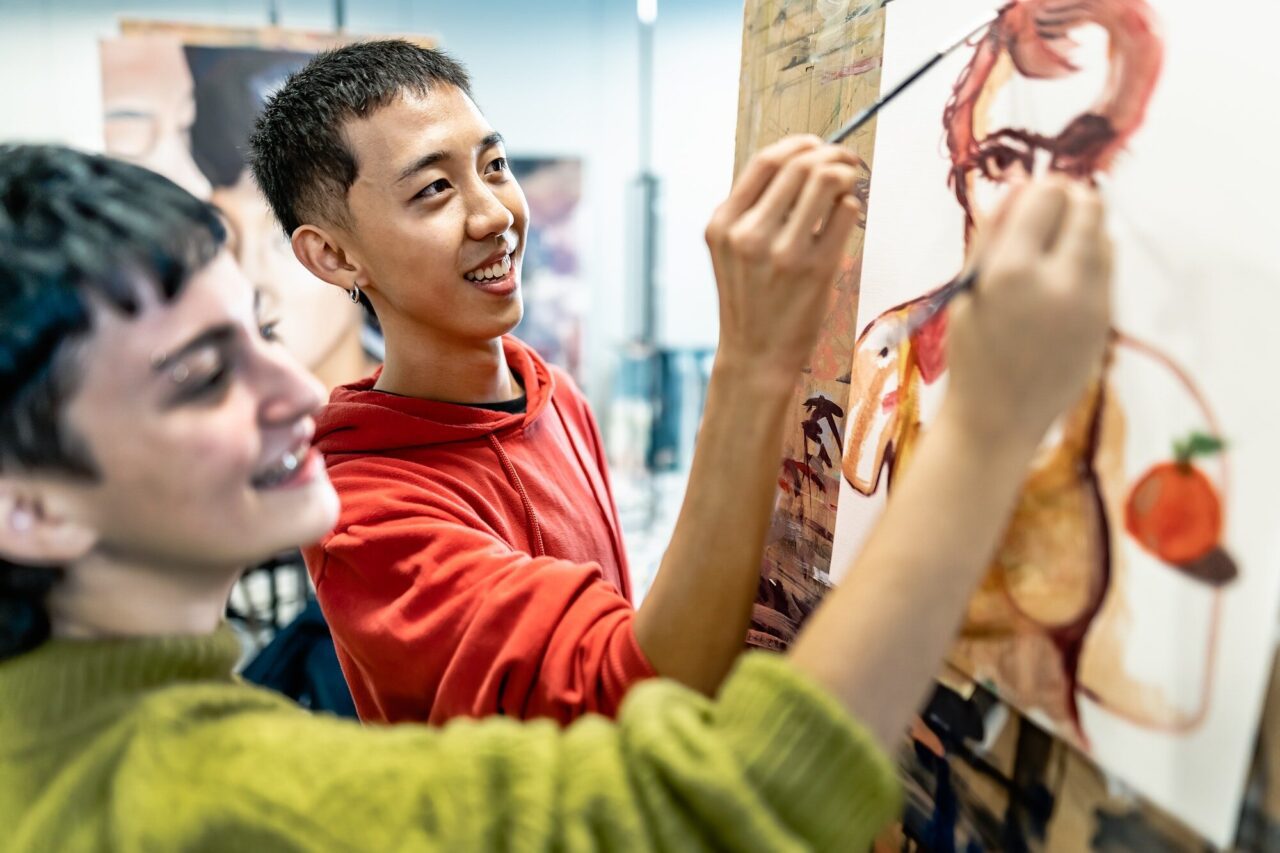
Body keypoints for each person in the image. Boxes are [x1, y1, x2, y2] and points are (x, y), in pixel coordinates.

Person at [0, 141, 1109, 849]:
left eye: (260, 330)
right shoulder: (197, 790)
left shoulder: (545, 391)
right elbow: (708, 793)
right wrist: (982, 424)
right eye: (201, 377)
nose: (293, 388)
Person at [248, 40, 873, 724]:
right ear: (333, 255)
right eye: (434, 189)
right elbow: (632, 698)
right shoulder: (365, 516)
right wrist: (751, 361)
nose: (494, 215)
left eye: (494, 166)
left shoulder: (554, 396)